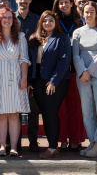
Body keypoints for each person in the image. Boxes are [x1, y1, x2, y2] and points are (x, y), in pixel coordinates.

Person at [0, 7, 30, 156]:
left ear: (13, 20)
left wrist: (24, 78)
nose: (7, 20)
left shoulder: (20, 37)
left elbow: (24, 59)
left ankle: (14, 147)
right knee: (1, 114)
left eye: (10, 17)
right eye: (4, 17)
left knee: (14, 114)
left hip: (16, 77)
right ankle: (3, 146)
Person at [28, 11, 70, 159]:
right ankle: (51, 145)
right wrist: (29, 81)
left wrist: (53, 81)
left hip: (56, 81)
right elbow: (29, 62)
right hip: (37, 80)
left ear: (55, 22)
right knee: (45, 113)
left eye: (51, 20)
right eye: (45, 21)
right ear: (41, 23)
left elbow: (64, 61)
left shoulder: (62, 38)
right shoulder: (34, 39)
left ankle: (53, 147)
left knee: (51, 112)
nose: (48, 23)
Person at [72, 1, 97, 158]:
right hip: (82, 76)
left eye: (92, 11)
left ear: (96, 13)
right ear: (82, 14)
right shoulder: (77, 32)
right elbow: (75, 54)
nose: (89, 14)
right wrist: (83, 72)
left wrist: (90, 72)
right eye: (86, 12)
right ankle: (93, 142)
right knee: (87, 111)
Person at [52, 0, 85, 151]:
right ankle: (62, 141)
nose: (64, 5)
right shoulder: (54, 21)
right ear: (57, 5)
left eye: (66, 2)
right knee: (59, 106)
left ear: (72, 3)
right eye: (61, 3)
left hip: (75, 68)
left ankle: (75, 140)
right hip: (58, 69)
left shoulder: (79, 21)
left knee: (75, 106)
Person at [14, 0, 40, 153]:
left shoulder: (38, 20)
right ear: (16, 0)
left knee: (33, 110)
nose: (23, 1)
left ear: (30, 0)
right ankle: (14, 143)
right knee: (14, 109)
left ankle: (33, 142)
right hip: (13, 70)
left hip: (34, 70)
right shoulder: (10, 19)